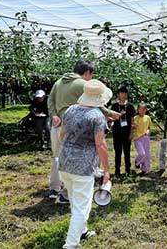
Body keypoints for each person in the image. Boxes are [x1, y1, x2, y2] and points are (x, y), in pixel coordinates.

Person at [48, 60, 119, 202]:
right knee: (77, 155)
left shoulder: (59, 82)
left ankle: (55, 188)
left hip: (57, 125)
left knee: (58, 157)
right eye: (91, 75)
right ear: (87, 72)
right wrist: (111, 114)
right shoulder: (82, 84)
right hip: (74, 125)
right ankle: (68, 192)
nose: (91, 79)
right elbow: (95, 101)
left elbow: (50, 100)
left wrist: (54, 115)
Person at [59, 79, 112, 249]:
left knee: (76, 201)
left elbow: (62, 136)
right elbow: (101, 145)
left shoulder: (70, 110)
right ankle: (71, 245)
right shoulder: (96, 117)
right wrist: (107, 171)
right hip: (83, 167)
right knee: (82, 207)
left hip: (65, 163)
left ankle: (82, 231)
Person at [111, 85, 135, 177]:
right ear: (118, 95)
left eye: (125, 93)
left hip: (127, 132)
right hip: (117, 132)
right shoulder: (114, 106)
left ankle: (128, 170)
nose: (124, 95)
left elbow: (132, 120)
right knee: (117, 152)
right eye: (122, 93)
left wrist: (132, 132)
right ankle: (117, 170)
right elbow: (111, 118)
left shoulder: (130, 106)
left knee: (127, 152)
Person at [133, 102, 152, 175]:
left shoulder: (148, 118)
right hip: (138, 139)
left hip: (145, 138)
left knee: (147, 154)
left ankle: (144, 170)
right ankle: (137, 162)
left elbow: (149, 127)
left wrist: (147, 131)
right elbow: (133, 127)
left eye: (144, 109)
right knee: (142, 154)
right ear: (137, 110)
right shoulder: (135, 118)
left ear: (146, 110)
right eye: (140, 109)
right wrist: (134, 126)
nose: (142, 111)